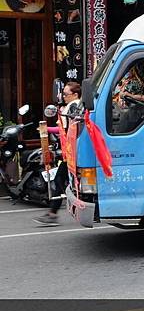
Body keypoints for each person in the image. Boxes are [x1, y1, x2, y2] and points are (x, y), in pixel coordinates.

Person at [33, 82, 81, 226]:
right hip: (70, 152)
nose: (63, 97)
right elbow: (63, 130)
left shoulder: (74, 106)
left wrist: (48, 129)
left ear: (75, 95)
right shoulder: (72, 106)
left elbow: (70, 130)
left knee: (59, 180)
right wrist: (48, 129)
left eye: (66, 94)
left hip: (72, 153)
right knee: (60, 180)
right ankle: (53, 213)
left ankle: (53, 213)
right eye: (63, 94)